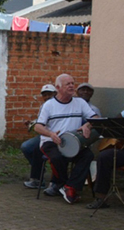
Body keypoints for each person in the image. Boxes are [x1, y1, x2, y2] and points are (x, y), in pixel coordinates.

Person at [34, 74, 99, 204]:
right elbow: (37, 126)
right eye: (67, 84)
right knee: (57, 157)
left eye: (72, 83)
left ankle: (70, 186)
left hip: (74, 142)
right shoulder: (49, 105)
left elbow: (95, 118)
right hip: (52, 142)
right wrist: (51, 134)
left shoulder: (80, 102)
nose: (71, 86)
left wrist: (87, 125)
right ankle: (64, 185)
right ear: (58, 88)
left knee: (88, 155)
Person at [22, 83, 56, 188]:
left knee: (36, 148)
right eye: (44, 95)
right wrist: (32, 123)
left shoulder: (59, 105)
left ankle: (38, 178)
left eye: (49, 94)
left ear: (55, 94)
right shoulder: (43, 106)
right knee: (26, 147)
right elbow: (41, 121)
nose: (47, 97)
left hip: (55, 135)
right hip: (44, 134)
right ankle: (40, 170)